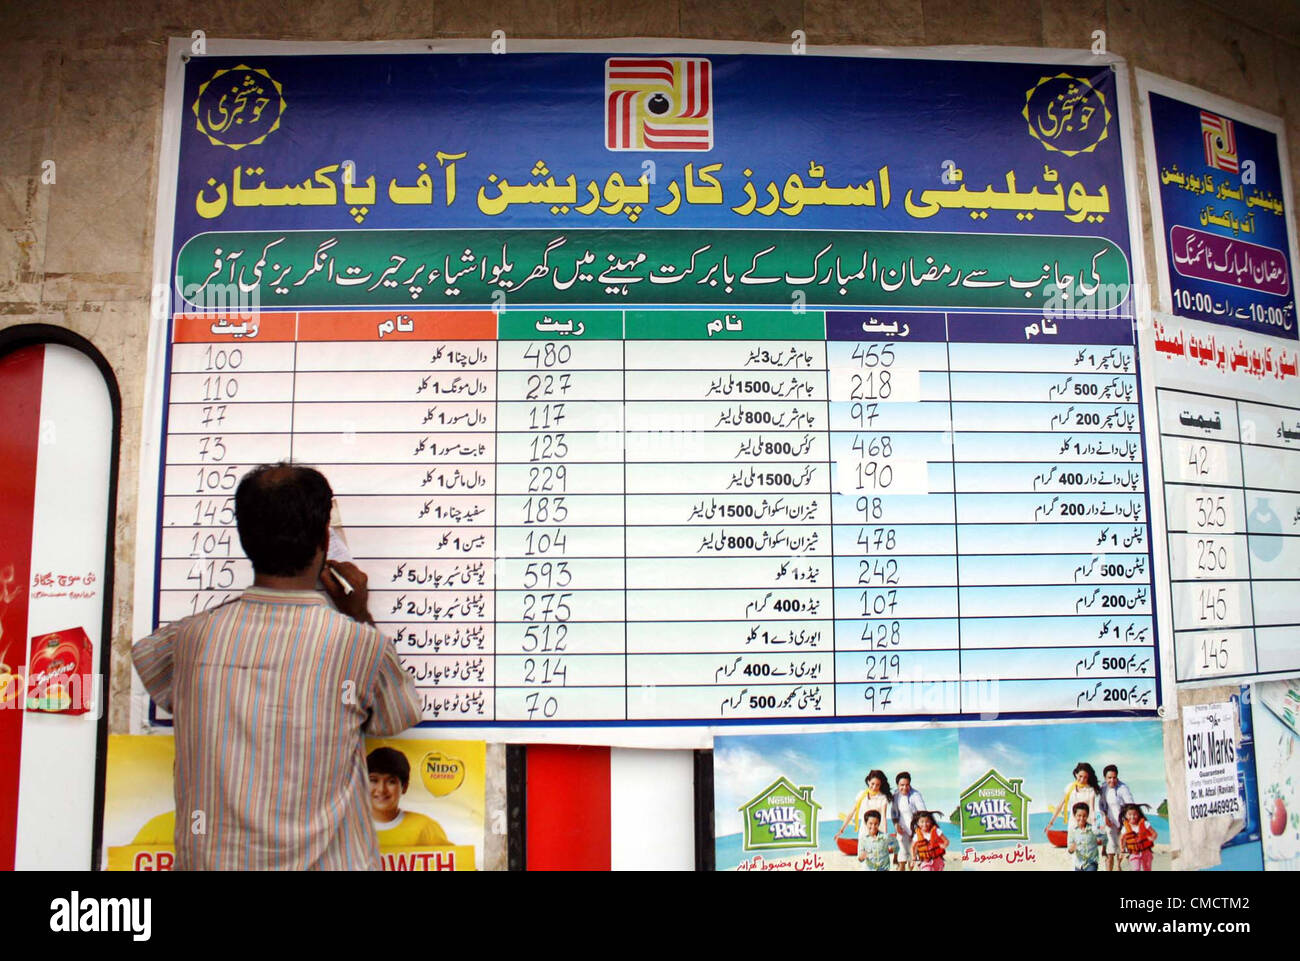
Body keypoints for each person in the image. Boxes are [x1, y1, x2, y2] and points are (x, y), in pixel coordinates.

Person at [132, 463, 422, 870]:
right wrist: (359, 613)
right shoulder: (357, 642)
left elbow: (149, 660)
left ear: (245, 540)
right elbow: (398, 714)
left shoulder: (191, 639)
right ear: (325, 539)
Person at [367, 747, 450, 847]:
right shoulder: (351, 828)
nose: (381, 789)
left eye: (391, 782)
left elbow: (455, 860)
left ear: (404, 787)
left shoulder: (425, 828)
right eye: (373, 780)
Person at [838, 769, 892, 846]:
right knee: (862, 856)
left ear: (881, 785)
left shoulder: (882, 798)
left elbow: (883, 818)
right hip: (864, 831)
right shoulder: (861, 795)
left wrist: (885, 835)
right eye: (872, 783)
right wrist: (842, 829)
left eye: (877, 785)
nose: (874, 787)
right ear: (868, 781)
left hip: (877, 831)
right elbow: (852, 812)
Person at [1046, 762, 1102, 835]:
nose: (1082, 779)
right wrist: (1051, 822)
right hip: (1073, 822)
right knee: (1072, 845)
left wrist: (1094, 824)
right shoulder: (1070, 787)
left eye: (1085, 777)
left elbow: (1092, 809)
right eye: (1080, 776)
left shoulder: (1090, 790)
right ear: (1076, 774)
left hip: (1086, 822)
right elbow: (1060, 806)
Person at [1099, 764, 1135, 871]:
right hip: (1109, 823)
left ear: (1117, 777)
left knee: (1121, 852)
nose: (1112, 780)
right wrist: (1105, 817)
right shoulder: (1103, 788)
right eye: (1109, 778)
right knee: (1110, 852)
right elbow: (1101, 805)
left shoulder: (1123, 788)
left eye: (1114, 777)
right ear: (1105, 778)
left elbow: (1130, 805)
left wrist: (1126, 821)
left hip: (1123, 823)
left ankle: (1119, 866)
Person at [890, 771, 926, 871]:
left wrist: (919, 830)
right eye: (902, 785)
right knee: (902, 858)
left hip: (915, 830)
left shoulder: (916, 795)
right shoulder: (895, 795)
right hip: (901, 830)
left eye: (907, 785)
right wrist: (896, 824)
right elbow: (893, 812)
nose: (905, 788)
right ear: (897, 785)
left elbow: (923, 812)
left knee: (913, 860)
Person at [1119, 803, 1157, 871]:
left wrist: (1151, 838)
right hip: (1134, 853)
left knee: (1147, 869)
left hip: (1146, 852)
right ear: (1125, 815)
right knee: (1136, 869)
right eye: (1129, 814)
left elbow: (1154, 833)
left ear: (1138, 814)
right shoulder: (1125, 828)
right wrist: (1122, 850)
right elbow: (1122, 839)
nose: (1132, 817)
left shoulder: (1145, 824)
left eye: (1135, 814)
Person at [1066, 802, 1104, 871]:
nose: (1082, 818)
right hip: (1078, 864)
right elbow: (1069, 849)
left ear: (1087, 816)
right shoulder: (1072, 831)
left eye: (1084, 816)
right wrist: (1072, 848)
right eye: (1079, 815)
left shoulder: (1092, 828)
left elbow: (1101, 836)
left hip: (1091, 863)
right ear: (1074, 816)